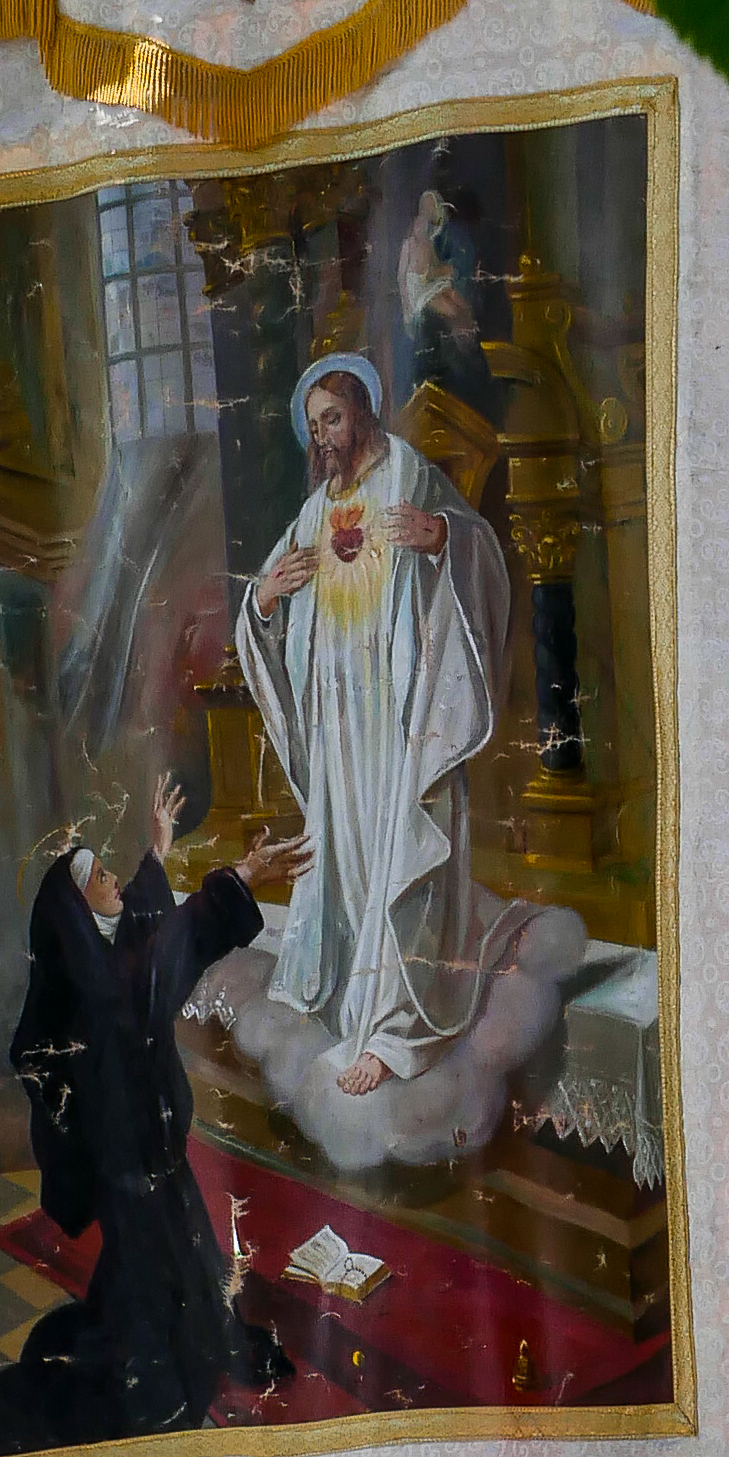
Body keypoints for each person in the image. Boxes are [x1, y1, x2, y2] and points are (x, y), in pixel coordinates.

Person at [0, 768, 305, 1457]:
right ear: (78, 909)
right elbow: (162, 955)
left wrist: (157, 847)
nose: (114, 883)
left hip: (155, 1154)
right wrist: (241, 875)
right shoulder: (94, 985)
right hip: (128, 1163)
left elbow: (152, 936)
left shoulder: (113, 957)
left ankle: (185, 1338)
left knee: (182, 1254)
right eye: (101, 882)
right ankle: (150, 1376)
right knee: (156, 1277)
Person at [236, 352, 512, 1098]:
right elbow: (264, 597)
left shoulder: (409, 474)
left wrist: (444, 539)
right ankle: (348, 997)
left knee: (396, 856)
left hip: (398, 714)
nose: (325, 434)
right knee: (351, 859)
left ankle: (393, 1029)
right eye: (314, 424)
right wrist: (265, 598)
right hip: (338, 722)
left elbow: (480, 549)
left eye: (334, 416)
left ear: (360, 412)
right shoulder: (317, 506)